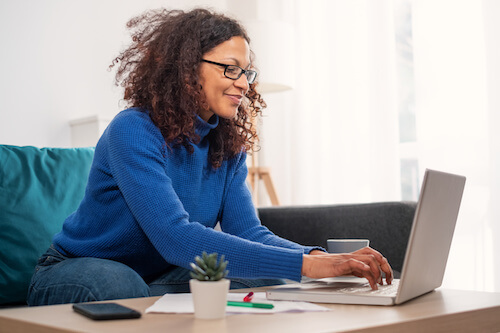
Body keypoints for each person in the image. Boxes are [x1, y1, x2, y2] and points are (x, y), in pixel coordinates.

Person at [27, 8, 392, 306]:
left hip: (157, 276)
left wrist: (318, 257)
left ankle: (153, 307)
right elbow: (176, 237)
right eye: (230, 68)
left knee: (267, 275)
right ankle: (151, 305)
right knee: (118, 284)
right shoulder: (133, 129)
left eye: (246, 72)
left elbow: (248, 232)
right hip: (78, 270)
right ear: (186, 70)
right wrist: (308, 266)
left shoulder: (226, 144)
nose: (244, 83)